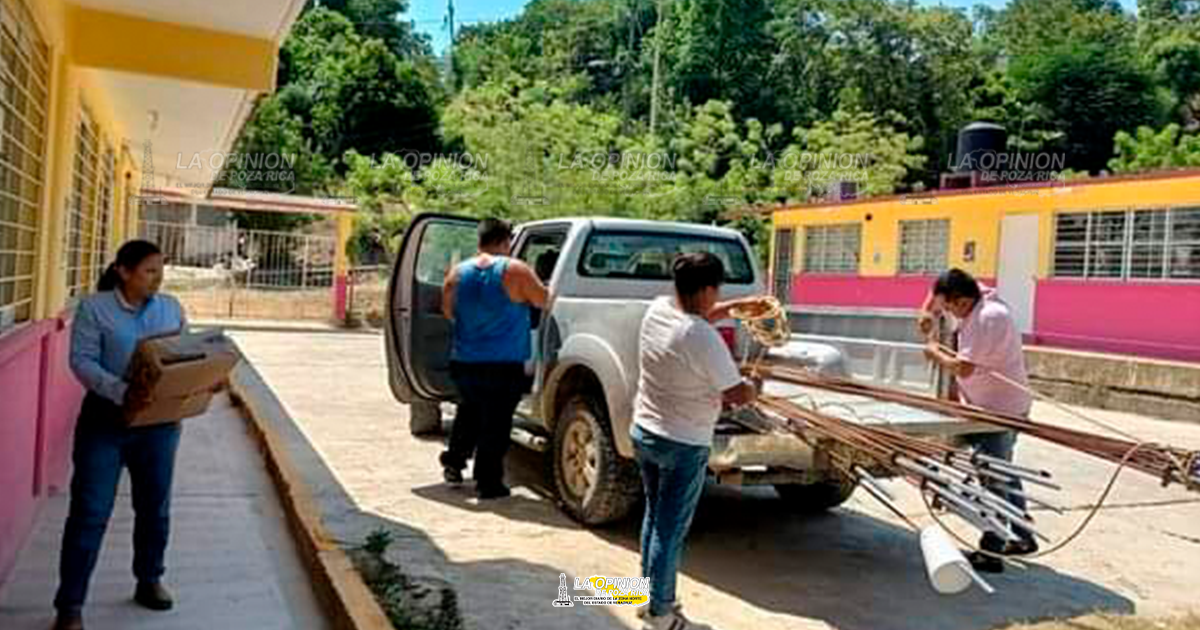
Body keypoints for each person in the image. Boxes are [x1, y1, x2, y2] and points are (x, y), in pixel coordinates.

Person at [55, 240, 188, 630]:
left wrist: (200, 379)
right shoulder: (95, 309)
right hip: (105, 424)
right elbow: (81, 361)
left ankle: (149, 579)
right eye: (149, 271)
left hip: (158, 426)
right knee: (90, 512)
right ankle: (70, 606)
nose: (158, 278)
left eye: (161, 270)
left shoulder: (171, 308)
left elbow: (186, 353)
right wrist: (121, 393)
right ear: (123, 271)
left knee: (154, 509)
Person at [632, 252, 760, 630]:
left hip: (646, 431)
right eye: (716, 291)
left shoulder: (656, 310)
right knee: (669, 530)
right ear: (707, 289)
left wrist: (736, 307)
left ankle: (648, 597)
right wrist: (753, 385)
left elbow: (699, 315)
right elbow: (736, 394)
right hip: (682, 443)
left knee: (654, 517)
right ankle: (661, 613)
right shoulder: (701, 336)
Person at [918, 268, 1037, 573]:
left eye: (948, 307)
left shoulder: (988, 318)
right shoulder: (976, 296)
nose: (946, 312)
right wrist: (926, 311)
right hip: (984, 405)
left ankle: (992, 551)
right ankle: (1022, 537)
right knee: (1004, 470)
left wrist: (934, 352)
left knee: (992, 478)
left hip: (999, 410)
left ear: (961, 300)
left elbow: (963, 368)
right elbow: (936, 294)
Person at [439, 218, 549, 499]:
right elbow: (543, 301)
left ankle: (453, 463)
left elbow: (449, 312)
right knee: (496, 424)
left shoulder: (457, 273)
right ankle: (488, 483)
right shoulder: (515, 270)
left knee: (469, 412)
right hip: (503, 364)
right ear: (506, 241)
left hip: (464, 361)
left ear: (480, 241)